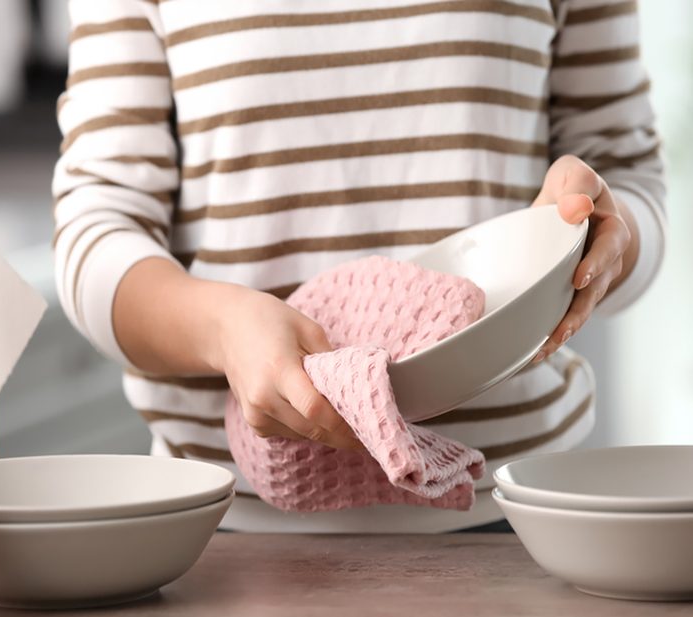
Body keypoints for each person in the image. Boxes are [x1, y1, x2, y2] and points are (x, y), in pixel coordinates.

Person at [52, 0, 665, 533]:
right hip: (217, 535)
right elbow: (96, 231)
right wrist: (223, 329)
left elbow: (628, 177)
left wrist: (595, 234)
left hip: (518, 518)